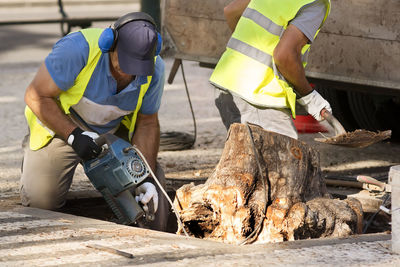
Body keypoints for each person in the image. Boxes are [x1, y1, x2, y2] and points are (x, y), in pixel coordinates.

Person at [20, 12, 168, 231]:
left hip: (112, 131)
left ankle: (157, 244)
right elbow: (36, 96)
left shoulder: (155, 69)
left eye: (136, 68)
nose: (128, 74)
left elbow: (147, 123)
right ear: (110, 43)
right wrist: (73, 135)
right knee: (42, 204)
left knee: (148, 200)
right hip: (61, 127)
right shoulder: (77, 50)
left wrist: (143, 176)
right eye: (123, 64)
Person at [210, 0, 332, 139]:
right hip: (259, 96)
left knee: (249, 156)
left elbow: (231, 11)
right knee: (285, 158)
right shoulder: (315, 3)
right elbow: (284, 56)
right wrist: (309, 96)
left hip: (227, 85)